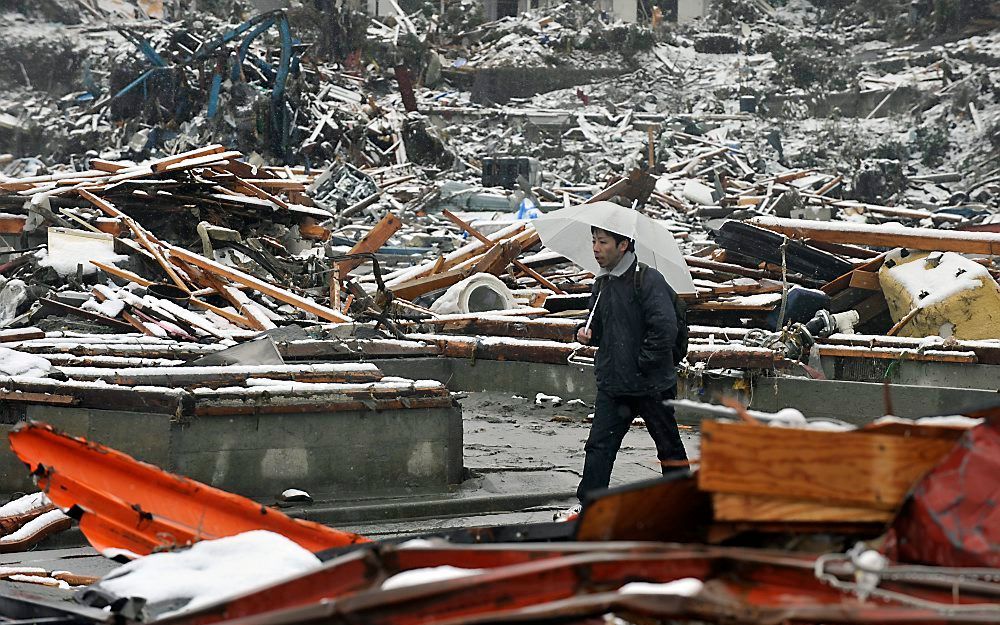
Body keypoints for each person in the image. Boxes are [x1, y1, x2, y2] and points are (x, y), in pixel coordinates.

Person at [574, 226, 688, 504]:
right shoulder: (603, 283)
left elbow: (664, 329)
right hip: (614, 385)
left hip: (652, 385)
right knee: (599, 448)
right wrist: (585, 332)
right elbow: (600, 327)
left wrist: (642, 363)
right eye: (594, 242)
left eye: (603, 242)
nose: (596, 249)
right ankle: (590, 507)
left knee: (668, 448)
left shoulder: (648, 280)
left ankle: (684, 505)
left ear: (623, 244)